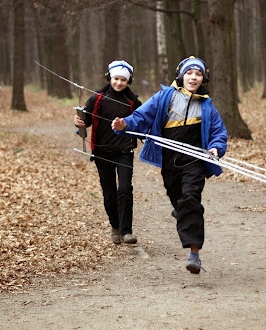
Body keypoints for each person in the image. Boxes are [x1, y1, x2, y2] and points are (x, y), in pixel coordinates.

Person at [112, 56, 228, 273]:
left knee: (191, 199)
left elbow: (218, 134)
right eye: (190, 73)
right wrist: (124, 124)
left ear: (203, 79)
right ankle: (182, 210)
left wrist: (214, 149)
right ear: (181, 75)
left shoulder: (207, 106)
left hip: (195, 161)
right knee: (180, 201)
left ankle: (194, 254)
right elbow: (141, 117)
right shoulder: (164, 97)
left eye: (198, 74)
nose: (193, 77)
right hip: (169, 162)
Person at [74, 60, 142, 245]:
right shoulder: (96, 98)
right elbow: (85, 120)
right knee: (109, 193)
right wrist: (79, 122)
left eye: (123, 80)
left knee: (125, 189)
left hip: (124, 151)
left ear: (129, 81)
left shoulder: (132, 101)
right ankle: (115, 226)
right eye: (116, 79)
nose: (119, 83)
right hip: (102, 152)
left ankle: (127, 231)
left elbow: (142, 121)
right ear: (109, 78)